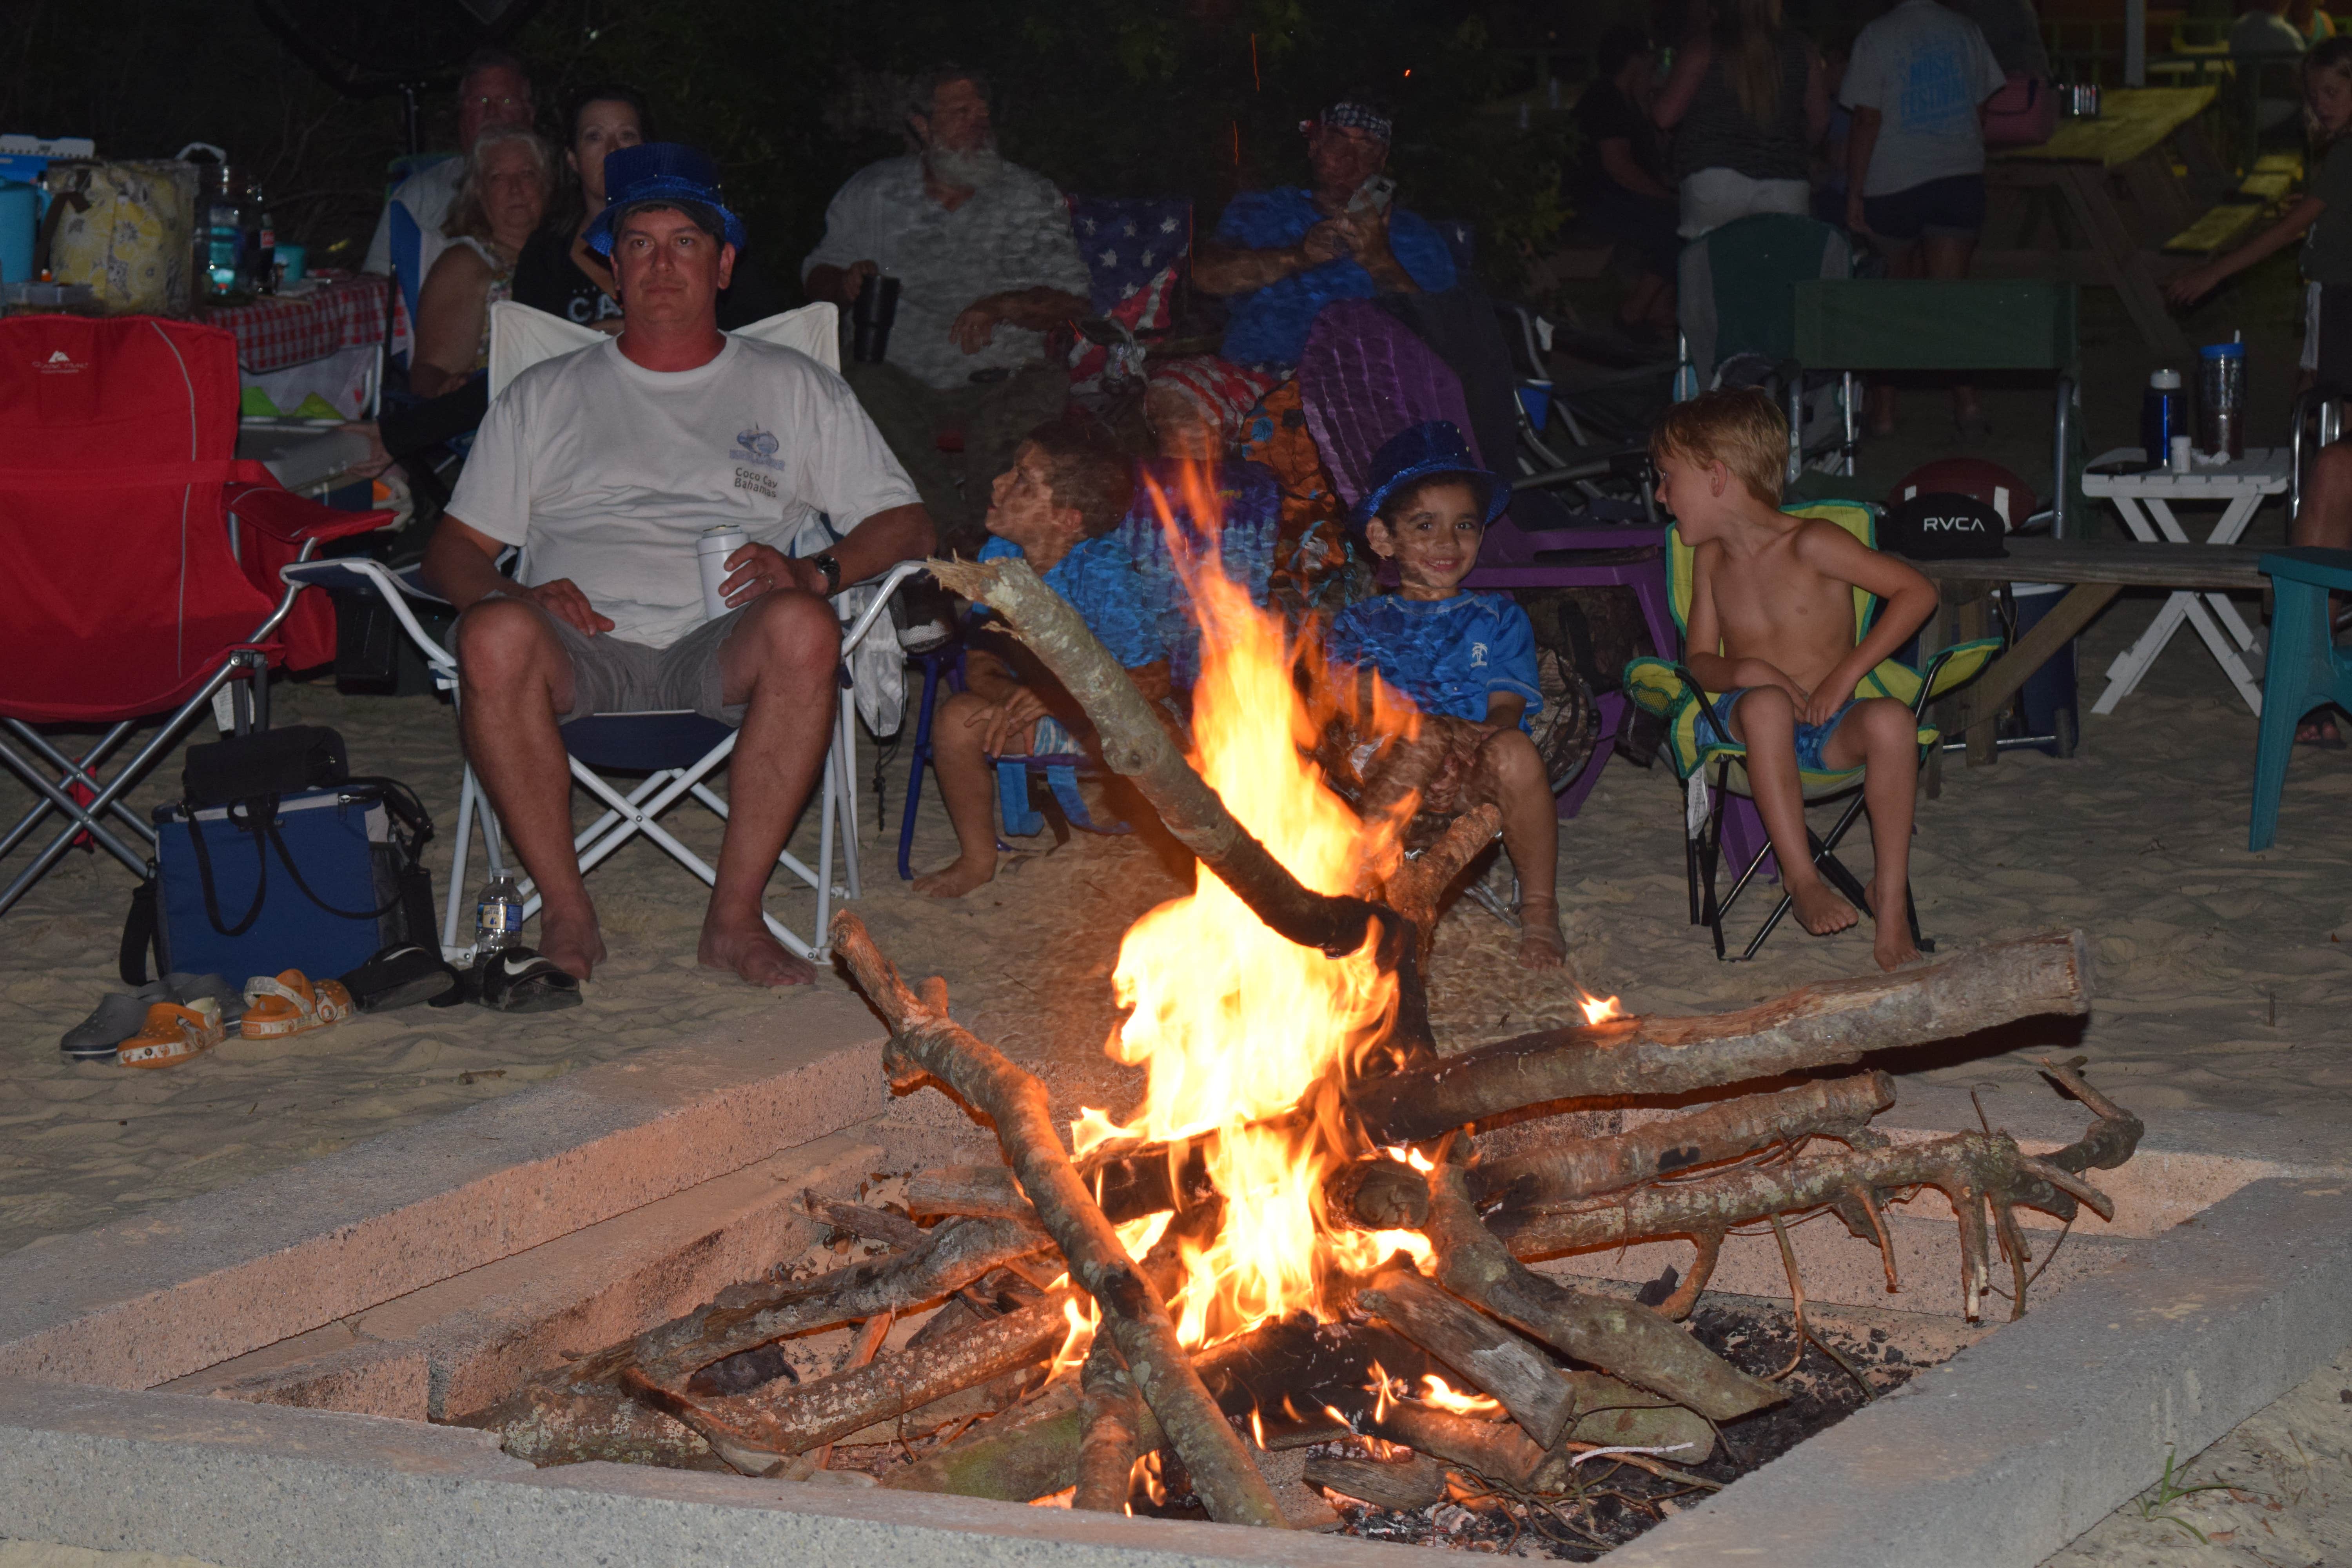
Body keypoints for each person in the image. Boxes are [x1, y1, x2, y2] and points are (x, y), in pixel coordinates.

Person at [422, 143, 934, 989]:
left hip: (725, 649)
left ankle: (734, 920)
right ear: (615, 268)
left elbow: (907, 522)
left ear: (723, 265)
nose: (661, 265)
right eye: (640, 244)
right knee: (493, 634)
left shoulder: (794, 386)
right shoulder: (544, 394)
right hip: (576, 652)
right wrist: (515, 591)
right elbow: (453, 548)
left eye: (685, 243)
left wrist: (815, 572)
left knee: (805, 626)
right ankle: (568, 911)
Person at [1651, 389, 1937, 971]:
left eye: (1666, 478)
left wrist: (1845, 676)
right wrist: (1749, 671)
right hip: (1742, 730)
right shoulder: (1710, 559)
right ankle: (1801, 877)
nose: (1659, 495)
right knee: (1766, 706)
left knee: (1891, 720)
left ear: (1716, 477)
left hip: (1826, 725)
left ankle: (1889, 896)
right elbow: (1699, 662)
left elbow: (1917, 592)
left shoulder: (1814, 543)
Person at [802, 68, 1091, 553]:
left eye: (983, 113)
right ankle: (951, 536)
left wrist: (1005, 305)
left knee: (1034, 396)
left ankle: (990, 540)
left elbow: (1074, 297)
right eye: (961, 113)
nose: (979, 123)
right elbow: (818, 276)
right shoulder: (875, 192)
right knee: (856, 386)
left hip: (1003, 375)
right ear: (922, 126)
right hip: (902, 374)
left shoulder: (1028, 196)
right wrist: (846, 281)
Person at [1324, 423, 1566, 970]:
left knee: (1516, 750)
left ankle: (1540, 910)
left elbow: (1506, 708)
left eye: (1464, 526)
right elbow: (1359, 703)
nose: (1447, 543)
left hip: (1473, 763)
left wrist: (1459, 749)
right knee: (1423, 731)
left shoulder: (1498, 617)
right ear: (1383, 538)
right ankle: (1358, 876)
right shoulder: (1362, 623)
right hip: (1386, 765)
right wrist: (1431, 740)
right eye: (1425, 525)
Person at [913, 421, 1168, 898]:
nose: (998, 483)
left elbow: (1154, 678)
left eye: (1023, 481)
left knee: (1165, 730)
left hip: (1103, 723)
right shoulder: (1001, 555)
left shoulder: (1101, 571)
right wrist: (1013, 698)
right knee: (955, 721)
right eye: (1011, 470)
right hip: (1043, 711)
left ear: (1067, 519)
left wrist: (1059, 698)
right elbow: (979, 661)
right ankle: (977, 858)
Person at [1150, 96, 1459, 454]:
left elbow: (1444, 333)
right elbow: (1207, 277)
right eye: (1337, 140)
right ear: (1314, 146)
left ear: (1383, 159)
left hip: (1364, 392)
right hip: (1258, 380)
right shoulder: (1266, 210)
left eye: (1367, 146)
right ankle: (1215, 493)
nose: (1350, 157)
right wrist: (1298, 256)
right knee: (1176, 394)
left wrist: (1379, 260)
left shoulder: (1413, 235)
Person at [1842, 0, 2008, 438]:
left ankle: (1884, 412)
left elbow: (1866, 118)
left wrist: (1855, 190)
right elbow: (1980, 109)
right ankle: (1967, 403)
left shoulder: (1877, 36)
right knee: (1949, 299)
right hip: (1957, 176)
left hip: (1894, 181)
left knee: (1891, 300)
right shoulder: (1966, 31)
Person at [363, 49, 537, 307]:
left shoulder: (559, 191)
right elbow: (376, 287)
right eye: (480, 101)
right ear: (461, 116)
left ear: (530, 115)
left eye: (506, 101)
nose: (492, 112)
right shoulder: (420, 193)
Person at [1653, 0, 1831, 238]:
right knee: (1779, 260)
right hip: (1785, 182)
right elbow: (1820, 120)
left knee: (1716, 260)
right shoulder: (1802, 50)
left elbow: (1664, 116)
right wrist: (1792, 147)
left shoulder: (1705, 46)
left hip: (1713, 180)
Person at [409, 126, 552, 400]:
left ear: (546, 185)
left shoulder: (569, 251)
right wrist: (449, 388)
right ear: (478, 191)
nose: (515, 189)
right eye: (498, 178)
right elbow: (429, 371)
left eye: (527, 174)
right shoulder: (466, 263)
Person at [1572, 25, 1682, 339]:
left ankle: (1657, 308)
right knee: (1678, 226)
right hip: (1597, 200)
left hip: (1616, 197)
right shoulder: (1604, 100)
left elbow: (1653, 157)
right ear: (1635, 59)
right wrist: (1665, 196)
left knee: (1680, 218)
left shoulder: (1629, 101)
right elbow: (1619, 167)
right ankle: (1633, 312)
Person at [513, 85, 650, 334]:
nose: (613, 150)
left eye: (627, 136)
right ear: (573, 160)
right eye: (594, 137)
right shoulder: (545, 255)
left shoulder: (689, 242)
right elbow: (529, 347)